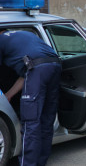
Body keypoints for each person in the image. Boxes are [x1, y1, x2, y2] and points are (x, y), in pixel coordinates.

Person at [0, 29, 61, 166]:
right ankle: (40, 162)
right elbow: (27, 72)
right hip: (54, 65)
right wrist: (9, 95)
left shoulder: (1, 40)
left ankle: (27, 164)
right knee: (46, 120)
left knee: (30, 122)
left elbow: (33, 69)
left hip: (37, 69)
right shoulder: (23, 35)